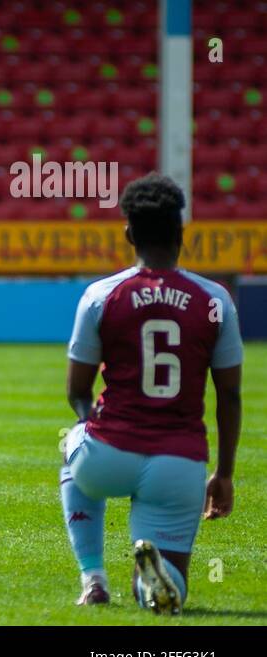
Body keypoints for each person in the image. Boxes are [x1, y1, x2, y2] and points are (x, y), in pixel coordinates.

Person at [60, 173, 242, 614]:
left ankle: (93, 578)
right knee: (169, 590)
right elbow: (230, 396)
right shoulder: (215, 299)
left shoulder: (101, 296)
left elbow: (77, 390)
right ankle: (151, 581)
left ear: (128, 234)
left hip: (109, 453)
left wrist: (93, 425)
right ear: (181, 234)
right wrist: (223, 474)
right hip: (180, 462)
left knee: (70, 444)